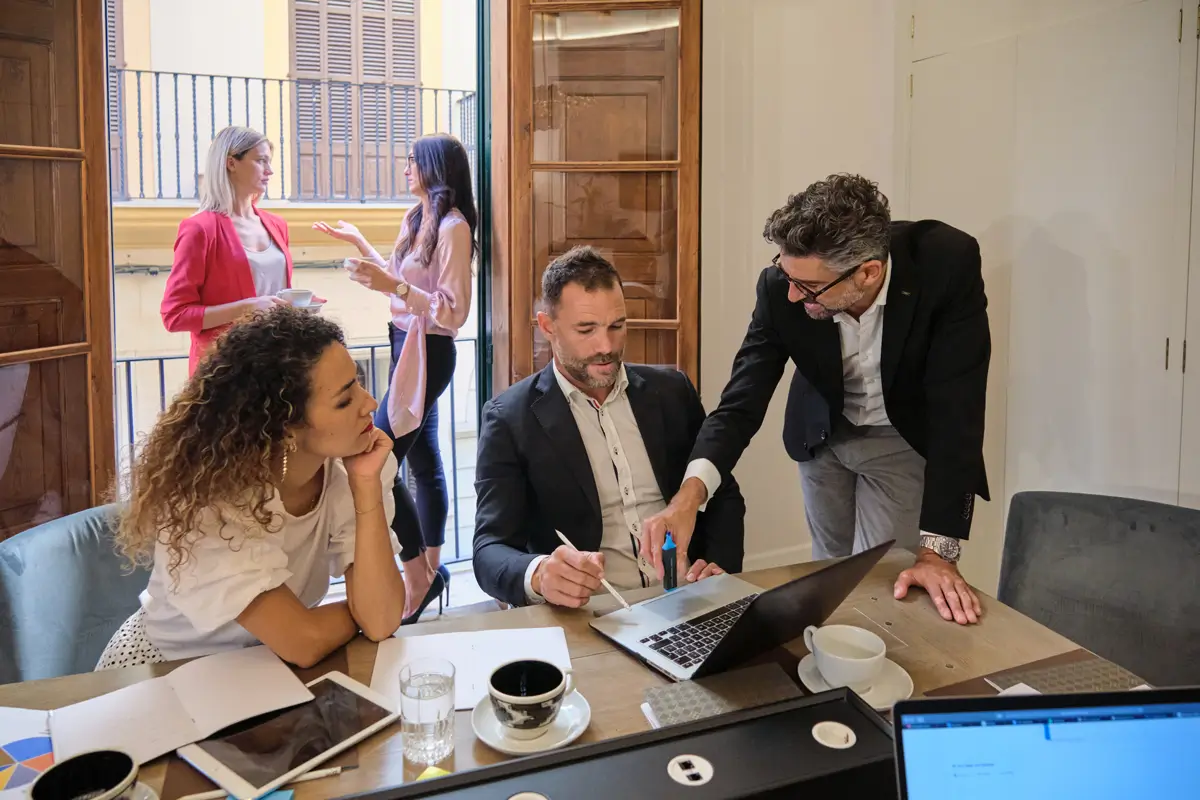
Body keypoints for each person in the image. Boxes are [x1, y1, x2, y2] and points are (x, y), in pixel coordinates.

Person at [642, 174, 990, 626]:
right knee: (827, 568)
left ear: (868, 273)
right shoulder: (781, 286)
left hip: (901, 434)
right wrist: (688, 499)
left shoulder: (946, 265)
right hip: (820, 434)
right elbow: (741, 400)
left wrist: (938, 552)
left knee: (882, 579)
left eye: (806, 287)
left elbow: (957, 408)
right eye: (786, 276)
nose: (790, 294)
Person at [98, 307, 406, 669]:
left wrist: (366, 488)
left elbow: (382, 621)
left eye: (359, 383)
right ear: (286, 427)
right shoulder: (211, 501)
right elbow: (305, 642)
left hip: (262, 672)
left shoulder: (354, 467)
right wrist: (360, 611)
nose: (370, 403)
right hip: (166, 671)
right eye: (344, 400)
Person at [472, 246, 745, 608]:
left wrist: (717, 568)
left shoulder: (672, 391)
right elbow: (488, 549)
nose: (607, 346)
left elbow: (722, 494)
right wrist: (538, 574)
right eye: (586, 329)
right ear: (547, 327)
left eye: (617, 326)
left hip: (689, 599)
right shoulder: (508, 418)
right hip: (590, 614)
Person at [311, 133, 476, 623]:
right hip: (404, 344)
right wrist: (358, 241)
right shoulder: (416, 218)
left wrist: (395, 285)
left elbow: (453, 313)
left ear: (434, 168)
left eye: (412, 162)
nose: (405, 168)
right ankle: (430, 568)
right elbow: (398, 278)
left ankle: (418, 575)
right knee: (422, 455)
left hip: (430, 350)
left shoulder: (453, 227)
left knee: (378, 456)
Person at [161, 126, 297, 375]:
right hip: (225, 372)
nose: (270, 170)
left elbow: (271, 295)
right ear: (231, 163)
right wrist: (249, 308)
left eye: (269, 161)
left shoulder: (277, 225)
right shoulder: (200, 229)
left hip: (277, 363)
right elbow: (175, 315)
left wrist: (296, 304)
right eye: (260, 161)